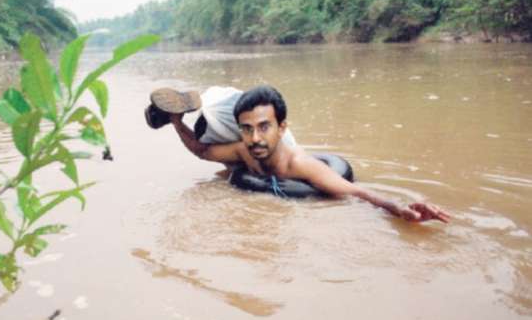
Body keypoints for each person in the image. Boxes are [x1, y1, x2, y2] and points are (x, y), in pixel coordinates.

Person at [152, 85, 451, 223]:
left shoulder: (299, 165)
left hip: (288, 183)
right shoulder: (244, 148)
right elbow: (203, 151)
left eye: (264, 127)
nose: (255, 138)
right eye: (247, 129)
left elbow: (355, 192)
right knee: (223, 161)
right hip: (248, 172)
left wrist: (399, 209)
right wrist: (177, 124)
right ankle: (196, 108)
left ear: (282, 128)